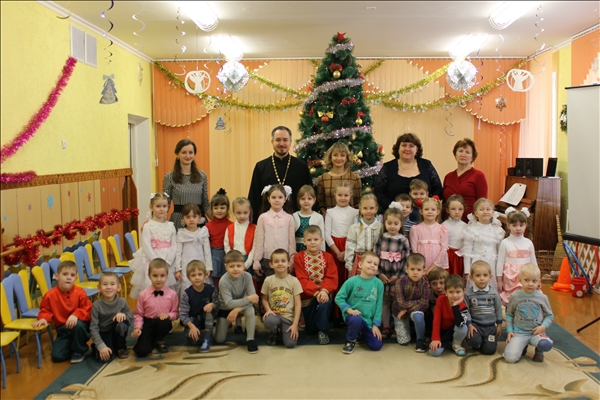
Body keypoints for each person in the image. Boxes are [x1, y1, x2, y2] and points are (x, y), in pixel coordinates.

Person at [32, 260, 92, 363]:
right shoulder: (50, 295)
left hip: (79, 327)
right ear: (57, 276)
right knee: (57, 356)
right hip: (63, 330)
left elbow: (87, 309)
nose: (69, 277)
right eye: (65, 274)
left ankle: (80, 350)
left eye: (72, 275)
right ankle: (73, 345)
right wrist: (43, 318)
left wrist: (76, 315)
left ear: (75, 278)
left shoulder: (80, 292)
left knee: (78, 326)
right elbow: (45, 310)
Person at [248, 126, 312, 220]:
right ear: (272, 142)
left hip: (296, 219)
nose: (282, 143)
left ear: (290, 142)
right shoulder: (261, 167)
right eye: (278, 140)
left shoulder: (301, 166)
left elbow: (309, 194)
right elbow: (254, 197)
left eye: (285, 140)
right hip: (267, 220)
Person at [374, 132, 443, 212]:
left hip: (424, 215)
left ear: (417, 149)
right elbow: (378, 192)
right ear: (398, 148)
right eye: (404, 145)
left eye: (411, 146)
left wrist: (431, 202)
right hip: (395, 215)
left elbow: (438, 189)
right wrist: (392, 206)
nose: (407, 149)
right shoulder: (388, 167)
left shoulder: (426, 165)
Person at [294, 225, 338, 345]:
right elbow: (301, 278)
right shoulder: (298, 257)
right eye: (309, 240)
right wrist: (316, 292)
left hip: (323, 294)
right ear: (304, 241)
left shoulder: (328, 257)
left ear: (321, 240)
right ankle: (316, 326)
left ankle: (323, 331)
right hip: (308, 295)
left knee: (324, 303)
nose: (312, 242)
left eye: (315, 239)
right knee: (310, 330)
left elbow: (332, 276)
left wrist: (324, 291)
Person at [374, 202, 411, 338]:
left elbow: (406, 260)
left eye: (396, 223)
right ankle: (385, 326)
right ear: (385, 223)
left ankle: (398, 327)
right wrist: (379, 274)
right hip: (383, 277)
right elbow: (375, 256)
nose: (392, 226)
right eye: (389, 223)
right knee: (384, 302)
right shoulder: (381, 238)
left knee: (397, 302)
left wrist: (398, 276)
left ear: (401, 224)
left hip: (397, 279)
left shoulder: (403, 240)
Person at [335, 251, 384, 354]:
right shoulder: (351, 281)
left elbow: (379, 305)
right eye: (369, 262)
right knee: (356, 321)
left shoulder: (379, 284)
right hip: (353, 316)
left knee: (376, 345)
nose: (372, 265)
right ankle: (351, 340)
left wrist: (376, 325)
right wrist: (349, 310)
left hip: (368, 320)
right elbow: (339, 298)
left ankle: (361, 334)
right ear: (360, 264)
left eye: (375, 264)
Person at [130, 193, 177, 299]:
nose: (161, 209)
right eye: (158, 206)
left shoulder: (171, 226)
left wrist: (168, 261)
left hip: (168, 261)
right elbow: (146, 246)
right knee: (152, 287)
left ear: (168, 207)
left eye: (164, 206)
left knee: (167, 289)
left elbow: (174, 246)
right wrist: (156, 262)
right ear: (151, 207)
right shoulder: (148, 226)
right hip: (152, 260)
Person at [503, 263, 554, 363]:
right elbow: (509, 314)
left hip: (536, 332)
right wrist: (509, 330)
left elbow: (549, 315)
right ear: (519, 280)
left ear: (539, 282)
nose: (530, 284)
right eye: (526, 280)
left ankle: (539, 351)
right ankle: (523, 346)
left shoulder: (542, 297)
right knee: (510, 358)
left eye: (534, 281)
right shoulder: (515, 296)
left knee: (546, 345)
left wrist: (543, 326)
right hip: (519, 332)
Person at [215, 250, 260, 354]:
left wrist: (237, 309)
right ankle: (215, 327)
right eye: (232, 266)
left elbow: (254, 299)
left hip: (240, 305)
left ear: (244, 266)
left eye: (238, 266)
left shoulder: (247, 277)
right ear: (226, 267)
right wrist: (248, 299)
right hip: (225, 308)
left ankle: (250, 339)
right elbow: (229, 304)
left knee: (250, 310)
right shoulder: (223, 281)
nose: (235, 269)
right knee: (219, 339)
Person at [131, 259, 179, 357]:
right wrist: (137, 327)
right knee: (141, 351)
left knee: (164, 323)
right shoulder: (143, 294)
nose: (158, 279)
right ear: (149, 276)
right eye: (155, 276)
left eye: (162, 276)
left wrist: (168, 315)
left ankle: (159, 339)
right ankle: (152, 340)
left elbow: (176, 313)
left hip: (162, 323)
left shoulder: (172, 294)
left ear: (167, 276)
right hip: (147, 323)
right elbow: (138, 314)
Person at [224, 197, 257, 332]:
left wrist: (247, 264)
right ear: (234, 212)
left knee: (245, 292)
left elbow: (254, 247)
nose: (242, 216)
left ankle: (248, 321)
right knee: (235, 293)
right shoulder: (230, 228)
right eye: (238, 213)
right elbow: (226, 245)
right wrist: (231, 262)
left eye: (245, 213)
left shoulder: (254, 228)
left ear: (250, 212)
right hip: (233, 263)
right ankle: (237, 322)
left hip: (246, 261)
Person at [163, 139, 211, 229]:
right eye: (184, 152)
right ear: (177, 154)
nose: (188, 156)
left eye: (191, 152)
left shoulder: (202, 176)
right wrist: (154, 222)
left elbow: (205, 204)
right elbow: (165, 204)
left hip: (198, 220)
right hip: (179, 221)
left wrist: (220, 222)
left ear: (194, 154)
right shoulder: (169, 177)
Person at [459, 198, 506, 289]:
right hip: (476, 262)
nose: (485, 212)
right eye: (481, 209)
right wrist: (467, 272)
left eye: (488, 209)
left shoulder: (498, 231)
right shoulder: (471, 230)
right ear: (476, 213)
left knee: (490, 288)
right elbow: (467, 252)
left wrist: (499, 274)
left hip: (492, 264)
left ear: (493, 212)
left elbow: (500, 253)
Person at [261, 249, 303, 348]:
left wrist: (295, 324)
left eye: (283, 261)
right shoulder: (268, 280)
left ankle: (283, 331)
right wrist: (268, 310)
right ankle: (273, 333)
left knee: (290, 344)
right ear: (271, 264)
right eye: (276, 261)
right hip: (274, 315)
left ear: (289, 263)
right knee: (269, 321)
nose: (280, 264)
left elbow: (298, 304)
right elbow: (264, 299)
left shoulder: (294, 281)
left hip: (288, 318)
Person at [253, 184, 296, 281]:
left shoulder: (289, 218)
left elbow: (291, 242)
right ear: (268, 199)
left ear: (285, 199)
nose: (277, 200)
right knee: (270, 286)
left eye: (280, 197)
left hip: (284, 260)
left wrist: (292, 260)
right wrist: (256, 261)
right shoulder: (263, 218)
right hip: (267, 260)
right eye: (273, 197)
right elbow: (259, 241)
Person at [497, 207, 537, 305]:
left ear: (525, 225)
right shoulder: (505, 243)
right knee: (512, 299)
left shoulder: (529, 243)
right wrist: (499, 280)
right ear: (508, 225)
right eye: (514, 225)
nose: (518, 228)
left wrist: (537, 278)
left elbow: (533, 262)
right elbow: (500, 262)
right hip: (510, 278)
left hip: (526, 276)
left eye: (521, 225)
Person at [90, 272, 133, 362]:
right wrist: (101, 346)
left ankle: (120, 347)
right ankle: (97, 347)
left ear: (118, 287)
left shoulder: (122, 302)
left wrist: (124, 315)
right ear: (99, 288)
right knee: (106, 357)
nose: (109, 287)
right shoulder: (96, 305)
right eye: (105, 284)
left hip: (117, 332)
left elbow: (130, 320)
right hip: (104, 332)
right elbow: (93, 328)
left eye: (112, 284)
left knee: (121, 321)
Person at [325, 181, 359, 294]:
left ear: (351, 196)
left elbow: (356, 234)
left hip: (349, 246)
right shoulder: (330, 212)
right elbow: (326, 234)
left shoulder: (355, 212)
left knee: (348, 276)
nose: (343, 198)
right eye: (340, 195)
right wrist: (338, 252)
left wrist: (346, 252)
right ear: (335, 195)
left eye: (346, 195)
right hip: (334, 247)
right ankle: (334, 304)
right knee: (335, 276)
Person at [443, 138, 488, 223]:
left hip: (471, 222)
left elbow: (482, 203)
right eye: (460, 151)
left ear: (473, 156)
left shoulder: (479, 175)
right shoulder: (448, 177)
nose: (463, 154)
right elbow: (444, 203)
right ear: (455, 154)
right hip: (449, 222)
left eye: (467, 152)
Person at [393, 253, 430, 352]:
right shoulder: (400, 282)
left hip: (415, 310)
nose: (415, 272)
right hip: (399, 311)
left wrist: (406, 310)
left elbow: (425, 304)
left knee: (418, 317)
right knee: (403, 342)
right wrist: (416, 302)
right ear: (407, 269)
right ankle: (407, 329)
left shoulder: (425, 284)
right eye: (412, 269)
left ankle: (420, 340)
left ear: (424, 271)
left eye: (419, 270)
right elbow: (400, 302)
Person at [174, 203, 212, 298]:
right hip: (186, 265)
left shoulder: (203, 231)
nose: (191, 219)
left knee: (201, 284)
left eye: (194, 216)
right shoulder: (181, 233)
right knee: (187, 285)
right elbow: (178, 253)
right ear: (183, 218)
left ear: (199, 217)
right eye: (188, 217)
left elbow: (207, 251)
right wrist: (178, 269)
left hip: (201, 262)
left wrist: (208, 267)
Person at [465, 261, 503, 355]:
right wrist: (469, 324)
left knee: (489, 351)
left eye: (485, 275)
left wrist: (499, 324)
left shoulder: (494, 293)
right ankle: (478, 342)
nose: (482, 278)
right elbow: (466, 310)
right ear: (471, 277)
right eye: (478, 275)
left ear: (490, 277)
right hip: (475, 326)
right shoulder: (468, 294)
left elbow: (498, 309)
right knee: (474, 341)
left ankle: (486, 343)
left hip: (490, 327)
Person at [180, 260, 219, 352]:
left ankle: (207, 338)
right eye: (193, 275)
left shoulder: (212, 289)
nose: (197, 278)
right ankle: (200, 332)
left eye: (200, 274)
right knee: (192, 339)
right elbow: (183, 314)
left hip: (207, 317)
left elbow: (219, 304)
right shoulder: (186, 293)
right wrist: (191, 326)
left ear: (205, 275)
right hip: (193, 319)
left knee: (209, 313)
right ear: (189, 278)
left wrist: (213, 304)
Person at [428, 274, 470, 357]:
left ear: (463, 291)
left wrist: (455, 306)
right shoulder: (440, 300)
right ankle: (446, 341)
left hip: (454, 330)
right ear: (445, 292)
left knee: (463, 327)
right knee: (434, 352)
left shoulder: (463, 306)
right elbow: (437, 319)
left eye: (458, 292)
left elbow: (460, 324)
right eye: (451, 292)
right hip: (442, 330)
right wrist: (435, 338)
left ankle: (456, 345)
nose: (455, 295)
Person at [316, 142, 362, 216]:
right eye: (335, 155)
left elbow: (358, 202)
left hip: (350, 219)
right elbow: (320, 202)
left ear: (347, 158)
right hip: (330, 219)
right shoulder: (322, 179)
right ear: (330, 157)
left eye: (342, 155)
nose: (339, 158)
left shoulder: (355, 178)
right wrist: (325, 215)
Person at [345, 193, 383, 276]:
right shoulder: (354, 227)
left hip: (375, 261)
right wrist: (349, 267)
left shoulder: (380, 227)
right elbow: (350, 248)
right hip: (360, 261)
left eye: (371, 208)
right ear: (360, 209)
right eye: (365, 208)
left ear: (376, 209)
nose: (368, 211)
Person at [409, 197, 449, 274]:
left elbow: (444, 250)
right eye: (426, 209)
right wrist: (421, 267)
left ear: (438, 212)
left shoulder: (442, 229)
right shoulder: (416, 229)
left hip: (437, 266)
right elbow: (414, 250)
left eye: (433, 209)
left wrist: (432, 268)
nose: (430, 212)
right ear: (421, 211)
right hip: (420, 267)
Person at [206, 189, 232, 289]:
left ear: (227, 208)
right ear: (211, 209)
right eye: (216, 208)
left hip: (227, 255)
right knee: (215, 282)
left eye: (222, 208)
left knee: (227, 280)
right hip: (213, 256)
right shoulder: (208, 226)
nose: (219, 211)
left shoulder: (232, 225)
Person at [293, 185, 325, 252]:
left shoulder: (319, 217)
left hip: (313, 249)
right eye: (303, 199)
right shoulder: (293, 216)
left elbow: (322, 237)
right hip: (296, 250)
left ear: (314, 200)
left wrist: (322, 253)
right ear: (298, 200)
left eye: (309, 199)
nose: (306, 201)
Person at [443, 195, 467, 276]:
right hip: (449, 256)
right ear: (447, 210)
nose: (457, 212)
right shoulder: (444, 226)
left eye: (460, 209)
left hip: (461, 256)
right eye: (453, 209)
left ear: (464, 210)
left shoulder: (466, 226)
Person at [424, 267, 449, 342]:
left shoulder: (450, 293)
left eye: (442, 283)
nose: (438, 286)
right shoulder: (429, 293)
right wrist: (433, 308)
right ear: (430, 285)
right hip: (433, 317)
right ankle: (429, 332)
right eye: (434, 284)